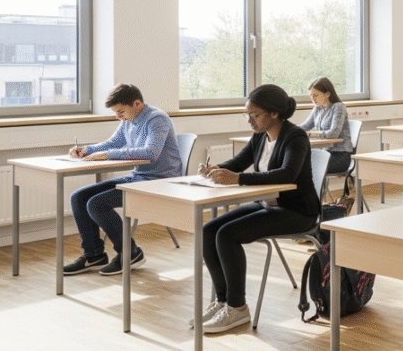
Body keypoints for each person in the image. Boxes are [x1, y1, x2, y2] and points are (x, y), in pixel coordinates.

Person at [196, 84, 320, 334]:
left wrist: (238, 179)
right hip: (268, 204)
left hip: (298, 211)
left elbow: (287, 174)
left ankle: (237, 308)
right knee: (208, 230)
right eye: (247, 114)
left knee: (227, 235)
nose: (249, 120)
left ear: (274, 113)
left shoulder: (295, 136)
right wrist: (216, 169)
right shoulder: (260, 136)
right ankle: (223, 301)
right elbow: (238, 162)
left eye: (254, 115)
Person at [62, 84, 182, 276]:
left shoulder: (157, 119)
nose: (118, 117)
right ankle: (94, 256)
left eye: (121, 112)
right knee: (78, 197)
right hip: (139, 177)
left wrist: (107, 155)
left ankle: (130, 253)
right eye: (116, 113)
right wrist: (86, 150)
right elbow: (112, 143)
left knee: (97, 204)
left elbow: (150, 153)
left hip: (161, 181)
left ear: (137, 103)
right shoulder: (129, 119)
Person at [300, 77, 352, 175]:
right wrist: (290, 131)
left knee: (304, 168)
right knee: (298, 164)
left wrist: (311, 134)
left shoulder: (338, 107)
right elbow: (305, 125)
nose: (313, 99)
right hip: (325, 153)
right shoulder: (317, 108)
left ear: (327, 94)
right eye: (311, 96)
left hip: (340, 157)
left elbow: (333, 133)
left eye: (316, 95)